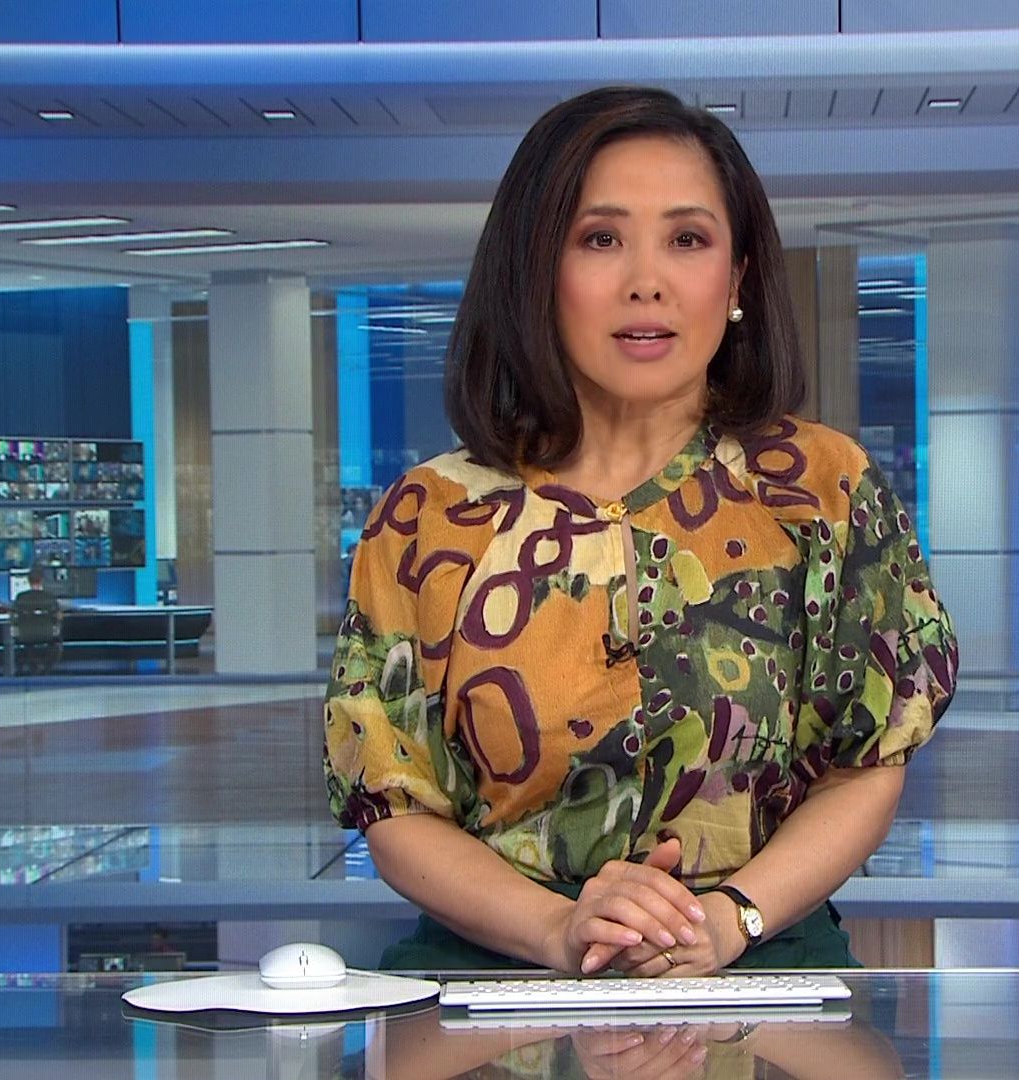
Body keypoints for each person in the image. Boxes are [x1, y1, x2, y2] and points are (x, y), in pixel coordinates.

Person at [323, 86, 959, 978]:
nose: (646, 281)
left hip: (759, 954)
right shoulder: (427, 516)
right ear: (536, 271)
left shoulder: (823, 489)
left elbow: (867, 766)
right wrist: (559, 929)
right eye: (600, 239)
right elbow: (395, 804)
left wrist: (727, 921)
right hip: (498, 965)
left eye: (688, 239)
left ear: (736, 280)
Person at [10, 566, 64, 675]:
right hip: (47, 634)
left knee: (27, 643)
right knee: (57, 645)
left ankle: (33, 666)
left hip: (25, 635)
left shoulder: (20, 597)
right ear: (41, 580)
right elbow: (59, 616)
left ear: (28, 580)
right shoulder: (49, 597)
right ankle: (45, 669)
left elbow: (13, 616)